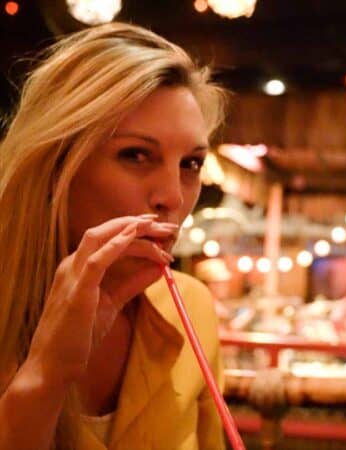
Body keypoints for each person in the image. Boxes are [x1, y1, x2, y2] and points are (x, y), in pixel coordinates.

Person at [0, 23, 227, 449]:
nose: (173, 197)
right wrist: (46, 374)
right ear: (55, 168)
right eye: (136, 155)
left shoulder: (193, 307)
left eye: (191, 164)